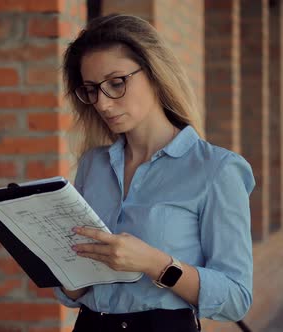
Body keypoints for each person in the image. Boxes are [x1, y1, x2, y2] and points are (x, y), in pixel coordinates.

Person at [54, 14, 255, 332]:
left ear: (155, 73)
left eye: (116, 83)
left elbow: (236, 297)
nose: (103, 104)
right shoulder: (93, 164)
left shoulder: (217, 170)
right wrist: (63, 270)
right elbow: (74, 290)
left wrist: (153, 263)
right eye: (92, 90)